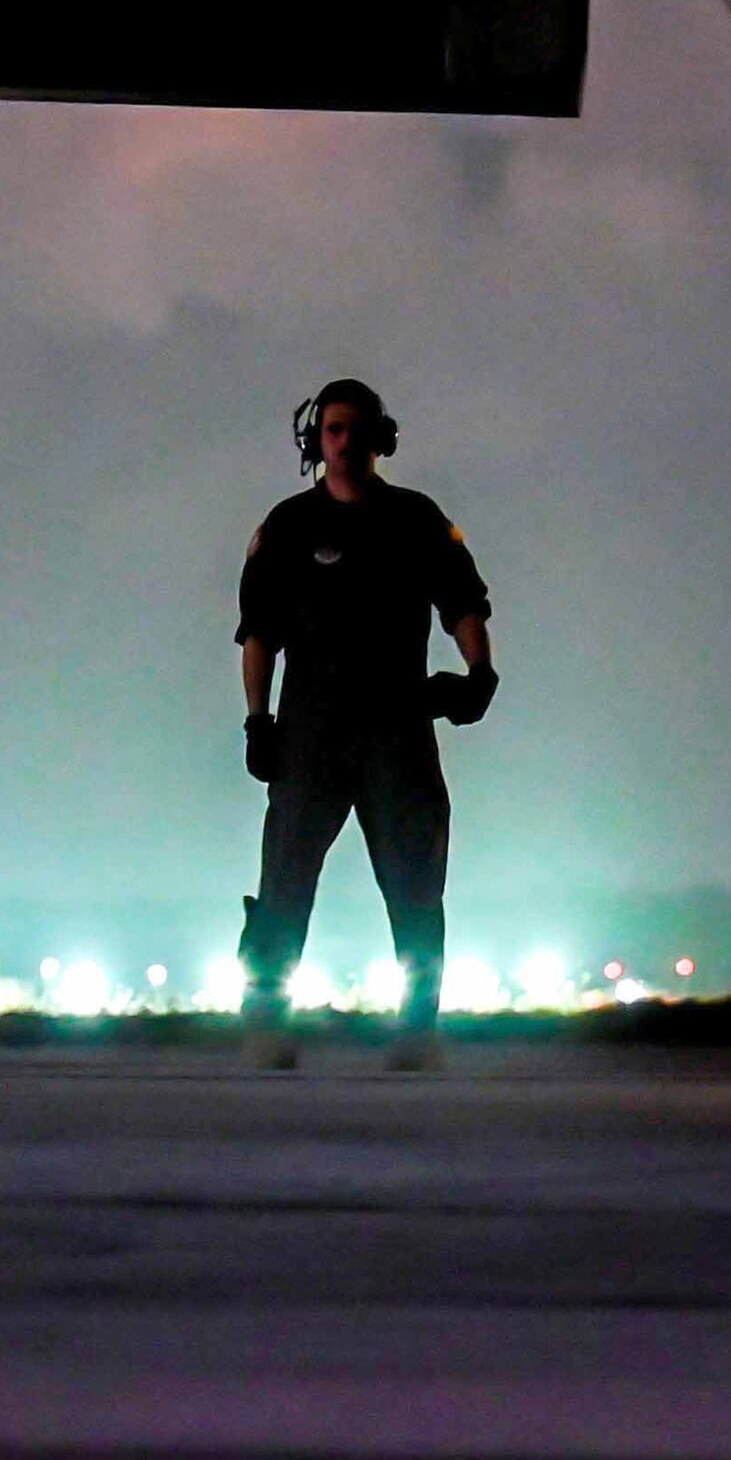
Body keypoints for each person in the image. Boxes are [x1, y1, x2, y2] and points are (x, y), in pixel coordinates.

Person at [234, 377, 495, 1072]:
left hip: (397, 729)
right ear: (317, 439)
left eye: (355, 429)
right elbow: (259, 633)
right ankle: (267, 1019)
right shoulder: (287, 528)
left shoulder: (415, 520)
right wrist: (257, 720)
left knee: (415, 886)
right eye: (333, 430)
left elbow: (464, 600)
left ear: (379, 437)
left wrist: (479, 673)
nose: (345, 443)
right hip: (310, 733)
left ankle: (417, 1026)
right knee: (286, 881)